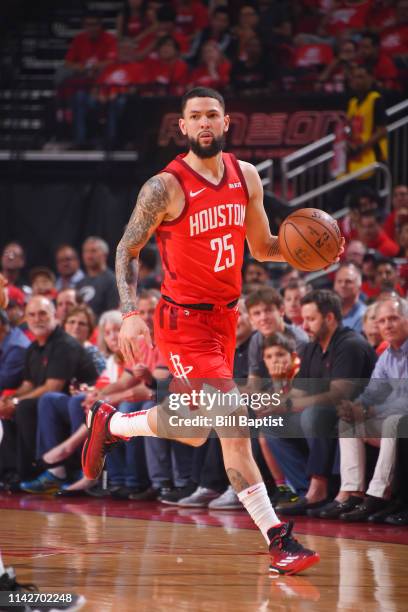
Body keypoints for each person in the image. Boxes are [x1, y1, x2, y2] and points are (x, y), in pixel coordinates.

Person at [82, 87, 344, 575]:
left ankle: (113, 423)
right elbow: (126, 249)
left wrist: (311, 251)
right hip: (182, 322)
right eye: (195, 116)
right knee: (234, 422)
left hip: (226, 318)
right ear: (182, 126)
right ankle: (278, 539)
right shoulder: (165, 186)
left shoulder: (246, 176)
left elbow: (264, 246)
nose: (205, 122)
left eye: (213, 115)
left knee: (193, 429)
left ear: (226, 123)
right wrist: (129, 311)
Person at [276, 290, 376, 516]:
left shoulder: (349, 344)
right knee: (273, 424)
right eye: (303, 320)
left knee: (314, 414)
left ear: (329, 318)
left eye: (311, 319)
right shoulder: (313, 346)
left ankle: (319, 489)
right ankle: (303, 488)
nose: (304, 326)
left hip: (355, 414)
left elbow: (337, 395)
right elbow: (298, 390)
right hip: (325, 416)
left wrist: (292, 405)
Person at [317, 297, 408, 521]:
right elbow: (372, 393)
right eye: (382, 320)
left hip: (400, 421)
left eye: (393, 319)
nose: (387, 325)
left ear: (406, 320)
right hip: (395, 420)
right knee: (348, 422)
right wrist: (356, 407)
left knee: (393, 421)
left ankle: (378, 495)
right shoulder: (387, 356)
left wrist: (370, 412)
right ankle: (353, 492)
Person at [76, 236, 119, 317]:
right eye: (86, 251)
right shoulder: (80, 283)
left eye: (93, 251)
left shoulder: (112, 281)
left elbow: (112, 312)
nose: (89, 255)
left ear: (105, 255)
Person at [334, 263, 366, 333]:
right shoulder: (327, 313)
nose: (343, 285)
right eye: (339, 281)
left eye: (348, 281)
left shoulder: (365, 315)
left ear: (359, 285)